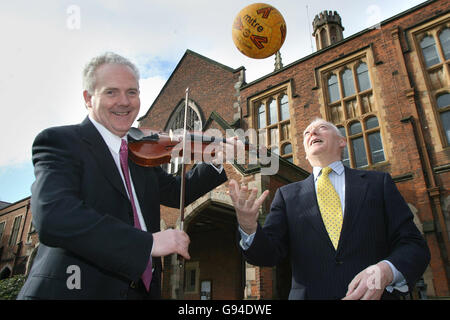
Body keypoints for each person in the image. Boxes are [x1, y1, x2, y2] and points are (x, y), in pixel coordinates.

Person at [17, 52, 227, 300]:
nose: (124, 102)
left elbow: (177, 192)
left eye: (132, 92)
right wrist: (147, 244)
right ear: (88, 98)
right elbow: (54, 217)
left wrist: (215, 158)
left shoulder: (142, 153)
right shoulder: (60, 142)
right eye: (111, 92)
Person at [228, 118, 430, 300]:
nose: (312, 133)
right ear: (305, 154)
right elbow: (268, 255)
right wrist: (248, 228)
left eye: (321, 128)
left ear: (341, 141)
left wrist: (386, 271)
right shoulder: (286, 196)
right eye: (307, 133)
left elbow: (414, 245)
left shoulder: (379, 184)